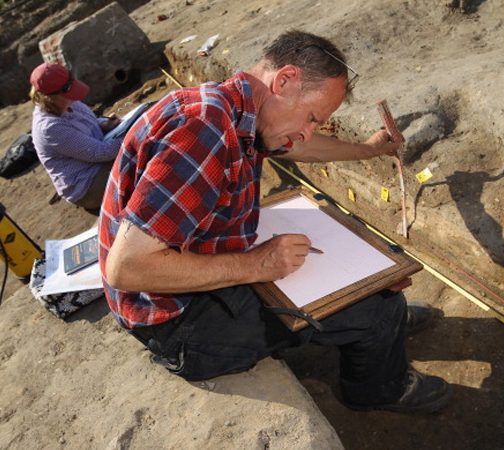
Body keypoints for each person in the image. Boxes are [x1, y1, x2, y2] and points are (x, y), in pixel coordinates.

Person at [98, 30, 452, 414]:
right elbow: (127, 268)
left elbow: (300, 145)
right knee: (379, 308)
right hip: (179, 325)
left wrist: (366, 150)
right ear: (284, 80)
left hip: (185, 280)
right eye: (313, 117)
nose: (307, 131)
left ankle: (380, 315)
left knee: (371, 287)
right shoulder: (203, 127)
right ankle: (378, 386)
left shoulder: (238, 108)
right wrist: (258, 264)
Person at [30, 62, 124, 211]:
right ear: (49, 98)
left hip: (98, 159)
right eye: (68, 93)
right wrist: (136, 134)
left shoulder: (65, 102)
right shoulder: (50, 127)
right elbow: (100, 152)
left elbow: (85, 124)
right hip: (86, 183)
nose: (73, 97)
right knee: (136, 164)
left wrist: (103, 125)